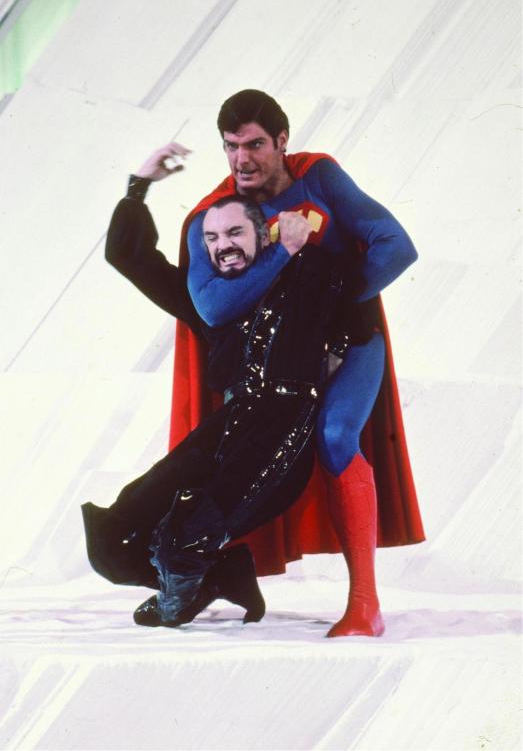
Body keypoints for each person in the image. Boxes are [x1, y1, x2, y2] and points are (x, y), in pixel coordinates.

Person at [168, 90, 425, 638]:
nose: (241, 160)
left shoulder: (319, 177)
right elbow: (212, 306)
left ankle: (365, 605)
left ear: (282, 141)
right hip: (272, 367)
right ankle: (197, 578)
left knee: (336, 436)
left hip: (349, 342)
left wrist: (330, 307)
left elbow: (396, 244)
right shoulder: (216, 216)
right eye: (231, 146)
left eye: (255, 144)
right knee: (235, 456)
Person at [82, 180, 369, 629]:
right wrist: (138, 188)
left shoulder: (310, 271)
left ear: (263, 234)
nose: (223, 246)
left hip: (281, 435)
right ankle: (220, 576)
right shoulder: (212, 303)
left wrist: (336, 350)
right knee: (110, 544)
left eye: (235, 232)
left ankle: (185, 588)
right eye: (212, 238)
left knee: (184, 540)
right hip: (230, 428)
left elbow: (356, 305)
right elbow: (127, 256)